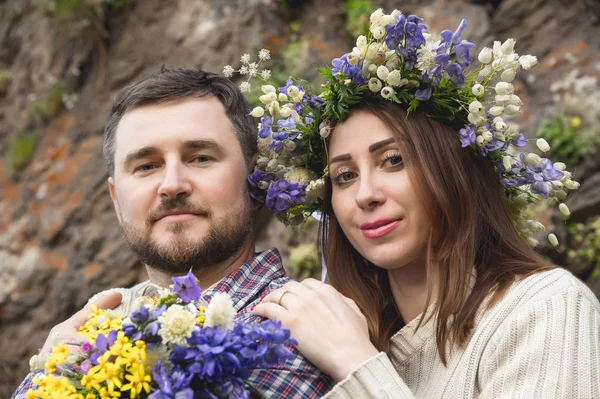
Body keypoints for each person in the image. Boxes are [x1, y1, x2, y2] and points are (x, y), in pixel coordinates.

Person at [246, 8, 600, 398]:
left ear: (453, 170)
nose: (365, 194)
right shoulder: (331, 339)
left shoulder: (542, 308)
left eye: (393, 161)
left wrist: (355, 364)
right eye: (345, 176)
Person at [12, 66, 332, 398]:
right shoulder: (76, 344)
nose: (172, 185)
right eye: (147, 166)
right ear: (116, 199)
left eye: (201, 158)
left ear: (254, 180)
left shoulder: (304, 334)